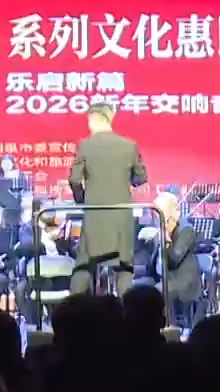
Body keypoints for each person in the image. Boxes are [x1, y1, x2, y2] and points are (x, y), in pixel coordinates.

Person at [67, 102, 148, 295]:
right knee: (124, 268)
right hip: (121, 217)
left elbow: (74, 179)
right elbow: (141, 177)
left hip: (95, 216)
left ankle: (73, 309)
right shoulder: (129, 146)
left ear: (94, 119)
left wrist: (82, 201)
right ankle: (128, 310)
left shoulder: (85, 145)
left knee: (84, 266)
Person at [133, 193, 201, 330]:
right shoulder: (162, 227)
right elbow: (153, 260)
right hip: (161, 276)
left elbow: (174, 260)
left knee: (160, 290)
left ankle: (169, 327)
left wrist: (165, 240)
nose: (156, 217)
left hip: (182, 280)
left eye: (160, 213)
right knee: (136, 287)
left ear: (172, 212)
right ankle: (141, 328)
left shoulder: (186, 230)